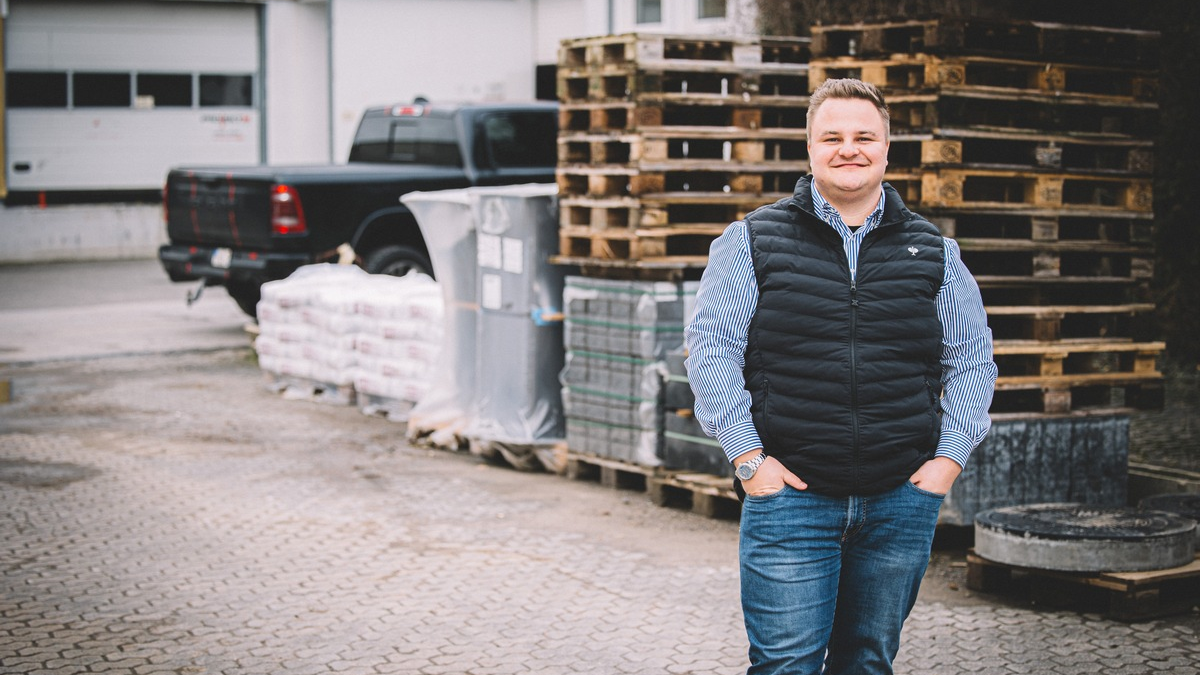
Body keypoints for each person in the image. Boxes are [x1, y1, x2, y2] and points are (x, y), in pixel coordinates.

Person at [684, 78, 998, 675]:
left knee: (868, 663)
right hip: (791, 502)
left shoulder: (934, 251)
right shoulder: (751, 240)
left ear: (886, 149)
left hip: (899, 500)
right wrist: (750, 460)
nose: (848, 148)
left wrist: (946, 463)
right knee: (785, 666)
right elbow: (712, 351)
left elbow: (971, 358)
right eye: (832, 136)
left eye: (863, 136)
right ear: (810, 148)